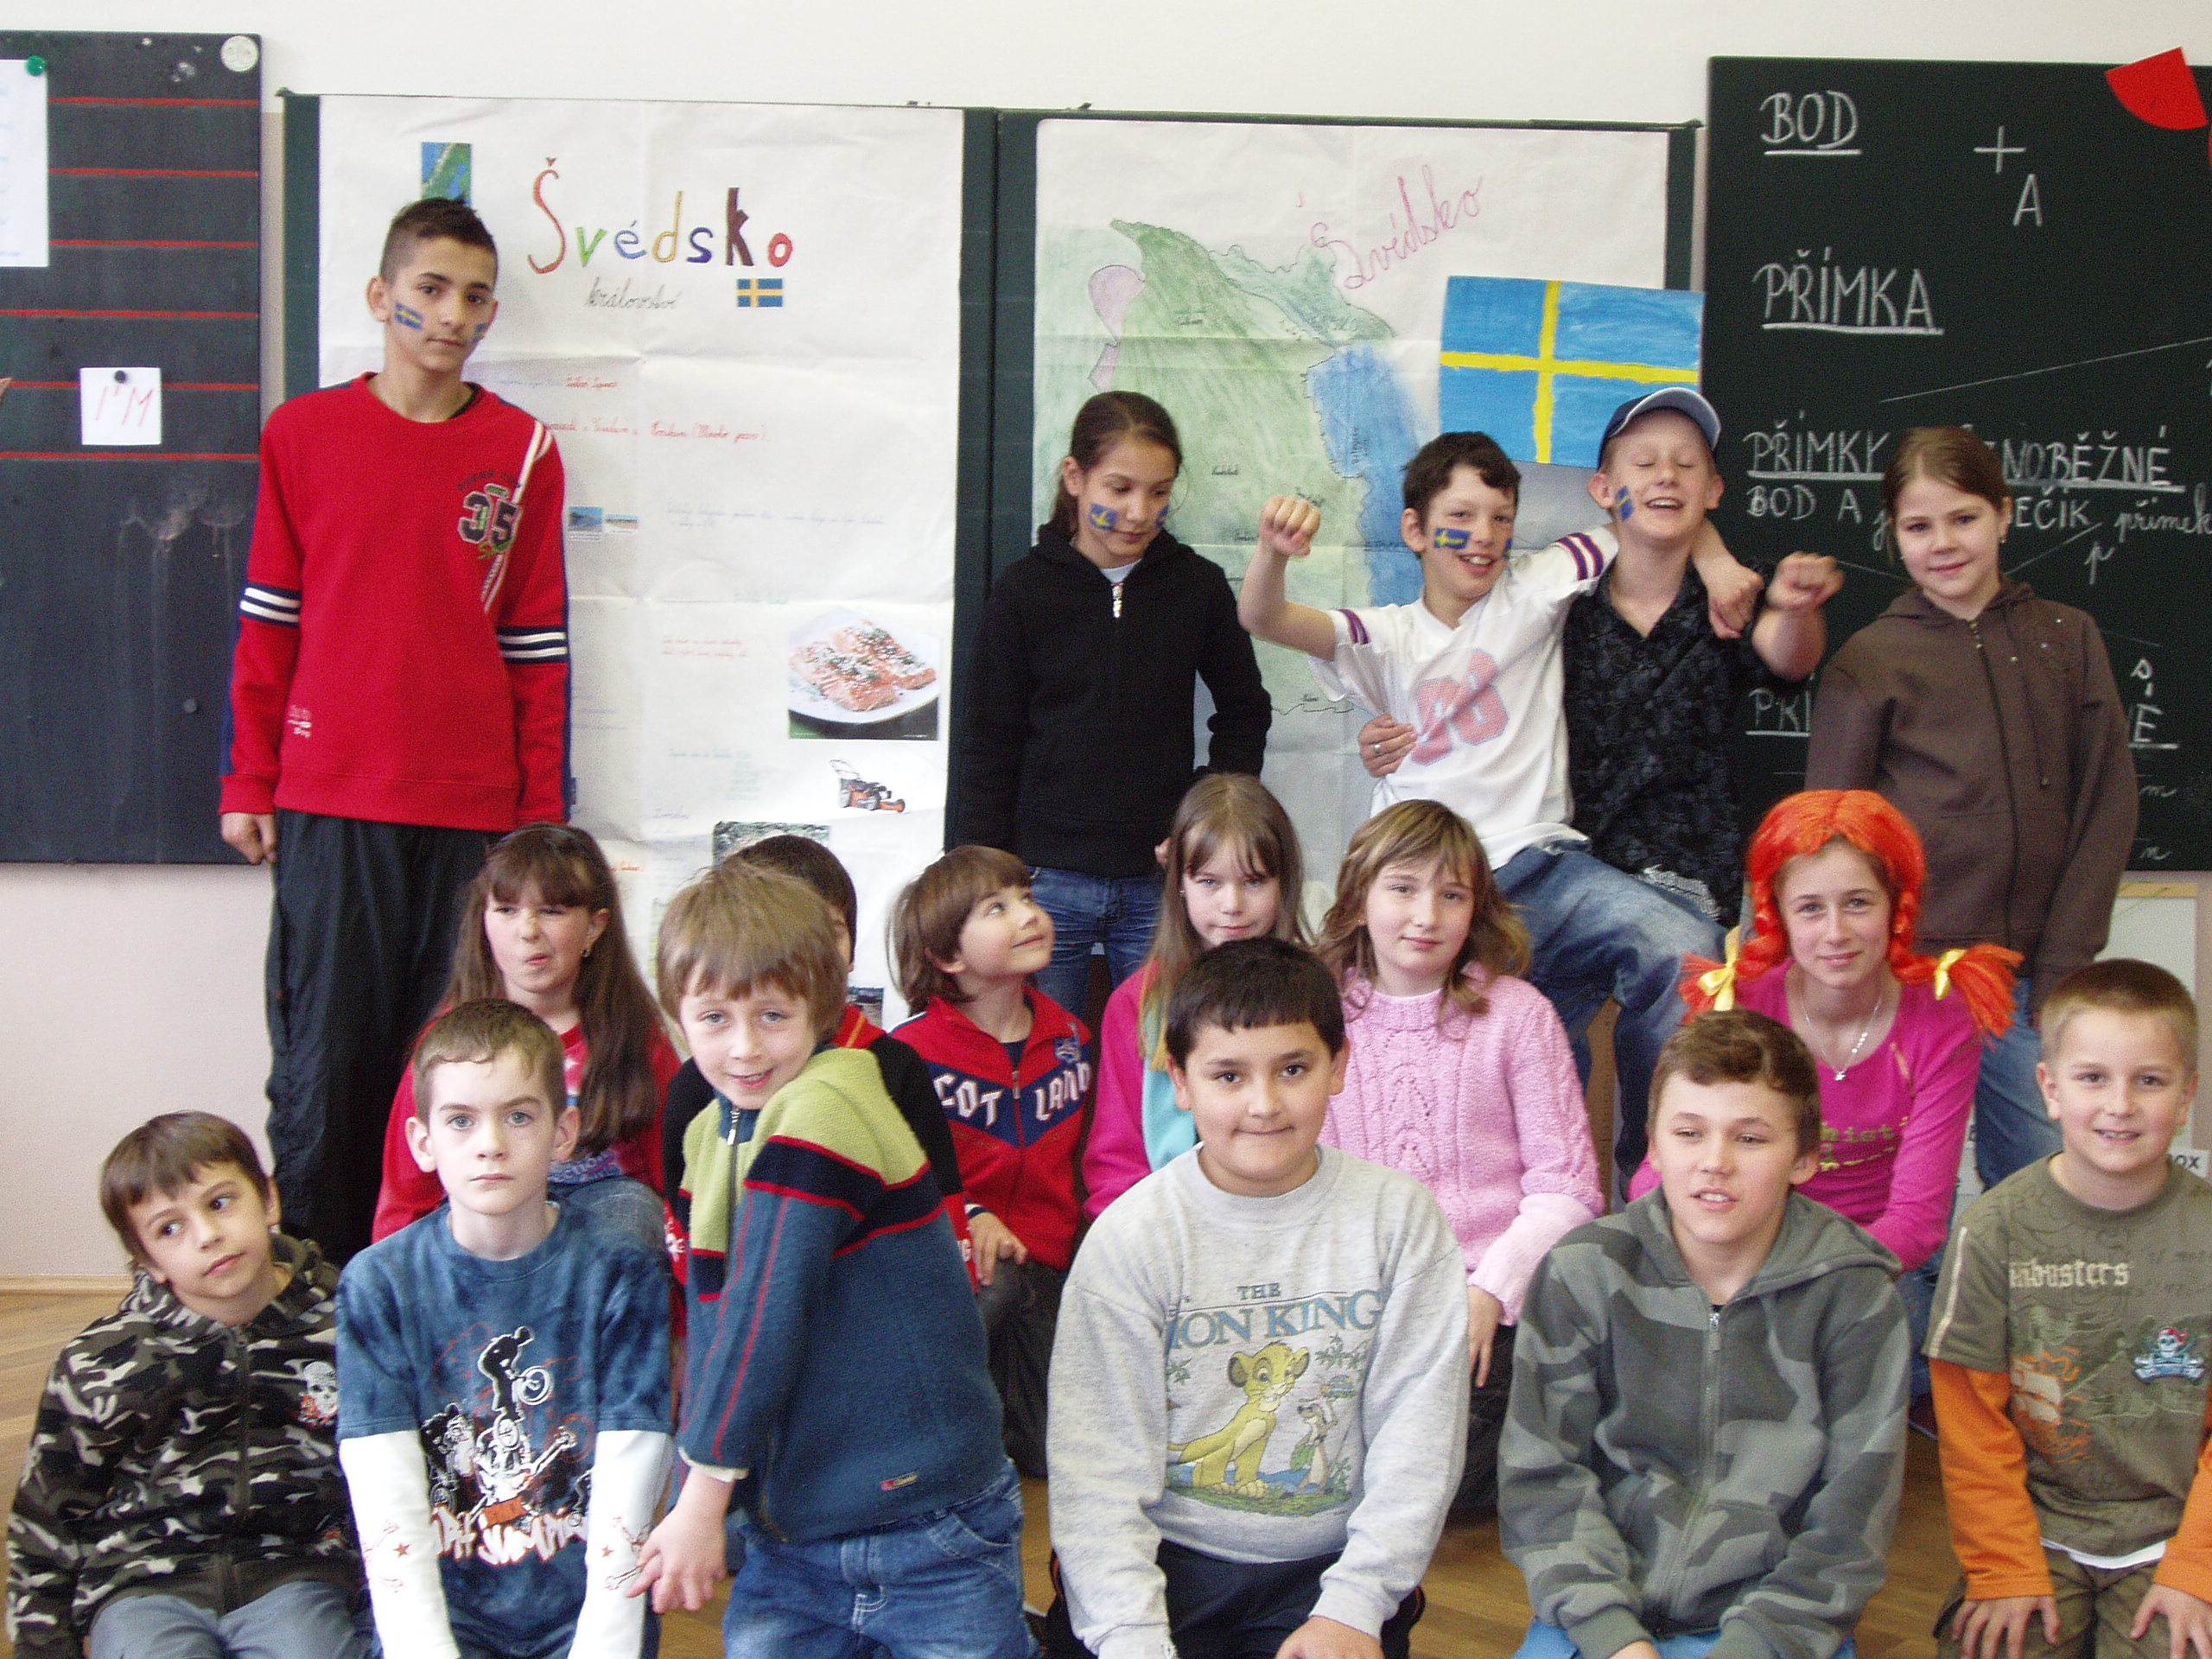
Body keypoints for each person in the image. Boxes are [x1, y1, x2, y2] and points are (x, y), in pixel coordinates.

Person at [1238, 416, 1764, 1178]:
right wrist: (1272, 553)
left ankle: (1654, 1179)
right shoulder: (1386, 637)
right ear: (1415, 531)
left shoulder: (1538, 586)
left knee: (1684, 953)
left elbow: (1653, 512)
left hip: (1545, 869)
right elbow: (1264, 617)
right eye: (1461, 518)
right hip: (1434, 892)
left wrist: (1715, 561)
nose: (1483, 537)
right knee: (1507, 1060)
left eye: (1501, 519)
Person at [221, 195, 569, 1262]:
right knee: (326, 1069)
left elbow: (537, 648)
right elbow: (268, 621)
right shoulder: (303, 435)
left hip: (474, 821)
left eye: (475, 297)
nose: (453, 314)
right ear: (382, 296)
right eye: (431, 289)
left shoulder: (524, 451)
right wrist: (249, 780)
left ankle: (437, 1284)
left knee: (458, 1072)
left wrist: (537, 824)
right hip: (331, 804)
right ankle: (323, 1295)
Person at [632, 862, 1028, 1658]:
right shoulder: (711, 1131)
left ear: (822, 1006)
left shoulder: (828, 1103)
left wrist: (700, 1498)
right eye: (714, 1018)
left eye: (773, 1015)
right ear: (677, 1019)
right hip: (796, 1531)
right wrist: (711, 1494)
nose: (744, 1047)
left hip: (926, 1527)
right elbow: (714, 1329)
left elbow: (761, 1315)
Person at [1045, 937, 1469, 1659]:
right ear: (1179, 1081)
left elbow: (1418, 1438)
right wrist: (1131, 1636)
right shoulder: (1132, 1237)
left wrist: (1357, 1604)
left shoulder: (1400, 1220)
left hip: (1331, 1572)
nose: (1264, 1104)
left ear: (1339, 1065)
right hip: (1164, 1566)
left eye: (1293, 1069)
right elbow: (1097, 1469)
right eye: (1229, 1075)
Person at [1500, 1009, 1909, 1659]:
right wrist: (1614, 1636)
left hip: (1776, 1627)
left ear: (1805, 1158)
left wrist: (1754, 1645)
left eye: (1750, 1139)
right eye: (1689, 1133)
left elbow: (1851, 1523)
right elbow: (1541, 1478)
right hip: (1597, 1612)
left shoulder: (1855, 1295)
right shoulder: (1585, 1271)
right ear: (1654, 1147)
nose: (1715, 1163)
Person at [1807, 424, 2137, 1195]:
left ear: (2005, 514)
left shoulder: (2068, 638)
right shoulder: (1870, 659)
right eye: (1919, 527)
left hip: (2029, 980)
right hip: (1906, 982)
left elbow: (2108, 802)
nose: (1944, 544)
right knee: (1900, 1191)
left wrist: (2065, 961)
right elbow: (1826, 835)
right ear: (1894, 536)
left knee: (2041, 1183)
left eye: (1964, 518)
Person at [338, 1000, 671, 1659]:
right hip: (442, 1619)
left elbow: (633, 1470)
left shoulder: (621, 1272)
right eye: (460, 1120)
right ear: (422, 1142)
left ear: (563, 1132)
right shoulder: (379, 1286)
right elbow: (384, 1493)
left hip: (585, 1615)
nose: (489, 1143)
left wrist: (601, 1646)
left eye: (518, 1116)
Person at [1315, 798, 1600, 1515]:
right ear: (1359, 899)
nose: (1426, 916)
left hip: (1489, 1300)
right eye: (1403, 889)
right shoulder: (1319, 1017)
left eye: (1451, 895)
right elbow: (1307, 1187)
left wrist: (1489, 1291)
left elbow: (1567, 1189)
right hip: (1364, 1300)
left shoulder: (1519, 1015)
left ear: (1477, 910)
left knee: (1476, 1450)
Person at [1926, 959, 2212, 1659]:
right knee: (1989, 1646)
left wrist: (2196, 1569)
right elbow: (1970, 1423)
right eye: (2092, 1078)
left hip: (2177, 1530)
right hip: (2037, 1527)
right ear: (2050, 1089)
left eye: (2150, 1081)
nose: (2120, 1105)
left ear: (2186, 1097)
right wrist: (2003, 1567)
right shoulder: (1993, 1230)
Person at [957, 390, 1271, 1017]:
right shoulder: (1023, 591)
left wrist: (1204, 821)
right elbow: (989, 740)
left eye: (1160, 492)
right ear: (1074, 477)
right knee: (1047, 1054)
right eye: (1120, 489)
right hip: (1043, 882)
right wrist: (980, 875)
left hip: (1159, 881)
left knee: (1164, 1051)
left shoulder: (1197, 586)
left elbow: (1244, 711)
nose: (1139, 512)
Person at [9, 1114, 364, 1659]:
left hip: (301, 1574)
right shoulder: (100, 1363)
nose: (207, 1235)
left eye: (220, 1202)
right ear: (146, 1260)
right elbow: (47, 1521)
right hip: (142, 1583)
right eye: (169, 1229)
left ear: (268, 1200)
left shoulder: (352, 1328)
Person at [1659, 790, 2018, 1279]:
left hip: (1875, 1259)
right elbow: (1661, 1174)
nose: (1836, 933)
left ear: (1898, 906)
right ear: (1777, 915)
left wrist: (1809, 1285)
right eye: (1810, 908)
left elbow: (1918, 1220)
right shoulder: (1735, 1003)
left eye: (1857, 903)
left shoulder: (1942, 1018)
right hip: (1743, 1250)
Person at [1555, 392, 1837, 931]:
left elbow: (1789, 659)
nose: (1666, 476)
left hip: (1693, 877)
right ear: (1604, 489)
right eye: (1644, 463)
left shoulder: (1735, 590)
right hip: (1575, 866)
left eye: (1686, 465)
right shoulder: (1562, 598)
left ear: (1713, 490)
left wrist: (1796, 609)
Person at [659, 833, 970, 1284]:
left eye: (829, 932)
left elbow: (940, 1218)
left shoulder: (894, 1069)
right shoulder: (695, 1089)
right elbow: (685, 1241)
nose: (811, 952)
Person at [372, 824, 677, 1251]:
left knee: (632, 1211)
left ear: (594, 927)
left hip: (597, 1241)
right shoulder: (446, 1044)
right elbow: (407, 1194)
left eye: (551, 911)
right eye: (507, 909)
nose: (528, 930)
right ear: (483, 920)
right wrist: (397, 1277)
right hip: (482, 1227)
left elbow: (678, 1180)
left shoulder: (635, 1037)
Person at [891, 844, 1093, 1478]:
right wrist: (971, 1213)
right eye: (997, 908)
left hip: (1050, 1266)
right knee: (991, 1286)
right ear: (947, 956)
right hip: (957, 1264)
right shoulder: (907, 1055)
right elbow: (898, 1176)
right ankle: (912, 1436)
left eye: (1027, 898)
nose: (1028, 915)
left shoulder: (1072, 1039)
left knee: (1048, 1452)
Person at [1084, 772, 1307, 1218]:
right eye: (1209, 882)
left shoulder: (1316, 993)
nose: (1232, 905)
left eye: (1254, 881)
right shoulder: (1137, 1003)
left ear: (1283, 883)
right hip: (1166, 1225)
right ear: (1179, 883)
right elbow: (1116, 1161)